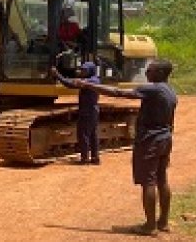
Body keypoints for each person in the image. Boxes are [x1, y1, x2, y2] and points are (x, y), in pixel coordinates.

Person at [67, 59, 177, 236]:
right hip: (165, 138)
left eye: (150, 70)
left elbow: (118, 92)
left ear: (159, 73)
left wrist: (86, 84)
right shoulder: (171, 91)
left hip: (149, 140)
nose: (147, 72)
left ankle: (149, 226)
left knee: (148, 182)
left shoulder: (152, 89)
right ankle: (162, 222)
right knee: (162, 179)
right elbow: (171, 120)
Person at [52, 61, 101, 164]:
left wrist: (58, 75)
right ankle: (95, 158)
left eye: (84, 70)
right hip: (92, 110)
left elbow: (70, 84)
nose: (81, 72)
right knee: (92, 134)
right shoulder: (95, 80)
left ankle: (85, 159)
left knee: (84, 135)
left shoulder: (89, 82)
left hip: (87, 111)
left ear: (90, 71)